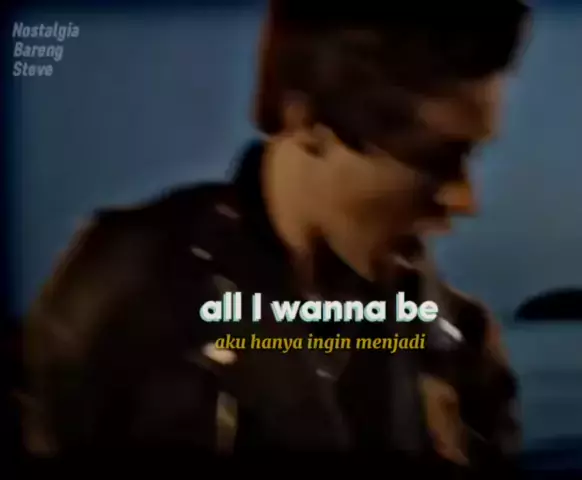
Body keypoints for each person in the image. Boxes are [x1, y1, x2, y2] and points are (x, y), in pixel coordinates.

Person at [22, 0, 530, 471]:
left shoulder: (460, 346)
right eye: (437, 158)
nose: (466, 200)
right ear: (305, 120)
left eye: (474, 155)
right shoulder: (125, 290)